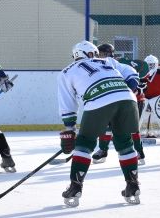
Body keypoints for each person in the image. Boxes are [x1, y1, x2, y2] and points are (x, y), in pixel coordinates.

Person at [58, 41, 142, 207]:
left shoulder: (67, 71)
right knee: (125, 143)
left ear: (76, 56)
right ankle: (133, 185)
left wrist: (70, 127)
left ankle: (75, 187)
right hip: (127, 98)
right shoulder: (108, 61)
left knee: (84, 144)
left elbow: (68, 104)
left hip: (98, 100)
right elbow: (131, 72)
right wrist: (130, 87)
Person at [89, 43, 147, 164]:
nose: (98, 56)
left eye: (100, 54)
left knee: (132, 128)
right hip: (115, 101)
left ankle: (139, 152)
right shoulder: (102, 66)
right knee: (106, 125)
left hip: (133, 99)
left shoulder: (113, 63)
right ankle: (102, 150)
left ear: (107, 54)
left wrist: (127, 90)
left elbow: (133, 77)